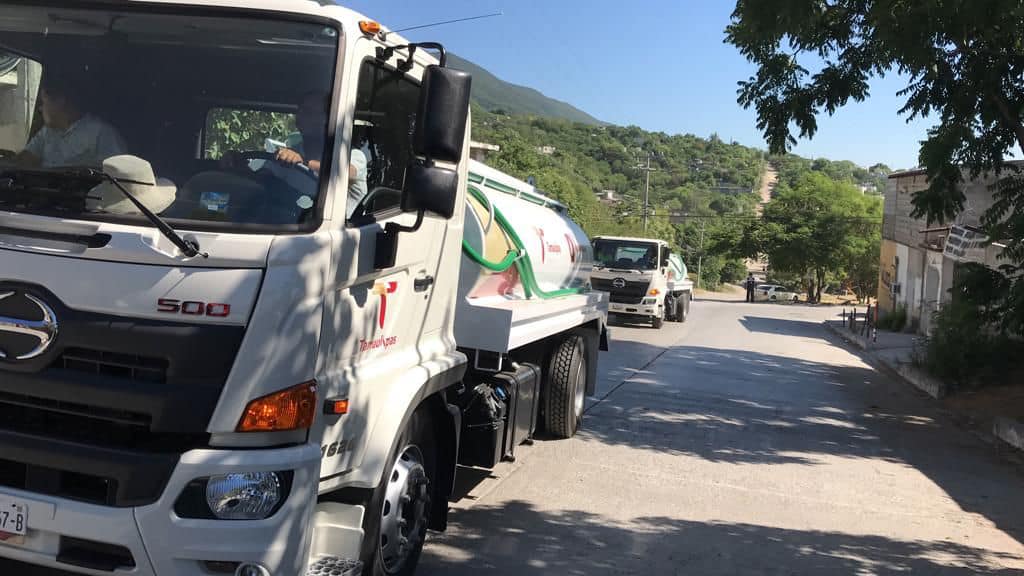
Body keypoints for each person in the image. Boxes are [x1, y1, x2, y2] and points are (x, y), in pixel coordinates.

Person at [14, 74, 127, 168]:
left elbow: (117, 177)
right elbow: (25, 160)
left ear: (60, 101)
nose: (40, 108)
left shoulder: (102, 134)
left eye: (44, 102)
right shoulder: (47, 132)